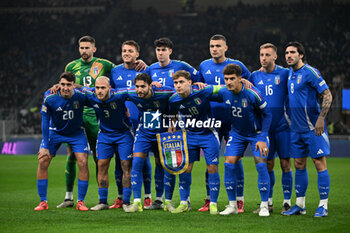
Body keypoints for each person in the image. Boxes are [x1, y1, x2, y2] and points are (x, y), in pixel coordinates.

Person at [58, 35, 116, 208]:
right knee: (72, 155)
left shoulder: (104, 64)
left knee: (99, 156)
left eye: (87, 48)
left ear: (94, 49)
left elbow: (119, 74)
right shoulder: (71, 66)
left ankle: (101, 199)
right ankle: (68, 197)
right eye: (81, 48)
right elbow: (66, 86)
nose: (84, 51)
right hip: (75, 113)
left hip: (94, 115)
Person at [197, 34, 251, 212]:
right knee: (211, 161)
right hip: (211, 120)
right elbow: (199, 88)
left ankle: (239, 199)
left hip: (233, 120)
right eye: (212, 46)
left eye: (218, 46)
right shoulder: (204, 65)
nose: (214, 49)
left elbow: (250, 84)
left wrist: (246, 81)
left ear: (225, 48)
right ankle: (209, 199)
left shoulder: (238, 66)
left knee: (234, 160)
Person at [147, 37, 200, 210]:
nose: (160, 53)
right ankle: (160, 199)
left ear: (170, 51)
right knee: (159, 160)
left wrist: (199, 85)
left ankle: (185, 199)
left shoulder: (182, 66)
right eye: (158, 50)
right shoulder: (150, 69)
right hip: (157, 117)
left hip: (177, 119)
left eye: (163, 50)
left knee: (178, 162)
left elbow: (197, 78)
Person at [282, 41, 331, 217]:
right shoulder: (289, 73)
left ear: (301, 55)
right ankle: (300, 205)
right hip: (295, 129)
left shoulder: (310, 72)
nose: (288, 55)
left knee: (319, 163)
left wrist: (321, 118)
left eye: (292, 52)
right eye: (286, 52)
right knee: (298, 164)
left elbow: (327, 95)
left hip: (313, 127)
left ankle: (323, 205)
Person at [217, 64, 272, 217]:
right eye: (226, 79)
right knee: (228, 164)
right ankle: (232, 205)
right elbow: (208, 92)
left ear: (240, 79)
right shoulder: (224, 92)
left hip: (257, 134)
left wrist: (262, 137)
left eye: (232, 79)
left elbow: (267, 114)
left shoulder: (252, 93)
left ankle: (264, 205)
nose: (228, 82)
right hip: (237, 134)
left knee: (261, 165)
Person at [168, 70, 221, 215]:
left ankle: (213, 204)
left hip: (208, 134)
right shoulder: (173, 99)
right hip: (189, 135)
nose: (178, 86)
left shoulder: (202, 91)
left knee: (212, 167)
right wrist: (172, 123)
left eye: (181, 82)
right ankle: (184, 202)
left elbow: (223, 88)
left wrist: (241, 83)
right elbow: (172, 111)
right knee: (185, 168)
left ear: (190, 82)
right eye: (176, 83)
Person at [34, 72, 90, 211]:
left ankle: (81, 202)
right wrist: (46, 145)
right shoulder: (50, 96)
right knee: (43, 160)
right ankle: (43, 201)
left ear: (73, 85)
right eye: (62, 84)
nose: (65, 88)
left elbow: (96, 97)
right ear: (59, 84)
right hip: (55, 132)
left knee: (83, 162)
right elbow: (45, 121)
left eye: (68, 85)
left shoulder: (81, 95)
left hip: (76, 133)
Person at [249, 43, 293, 214]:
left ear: (275, 56)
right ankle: (268, 202)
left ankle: (287, 201)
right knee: (268, 165)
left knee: (285, 164)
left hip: (283, 128)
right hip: (264, 131)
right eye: (261, 55)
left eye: (267, 55)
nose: (263, 58)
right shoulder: (254, 76)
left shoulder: (284, 73)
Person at [109, 40, 153, 209]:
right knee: (120, 160)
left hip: (142, 120)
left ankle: (147, 196)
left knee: (143, 158)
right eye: (124, 50)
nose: (126, 53)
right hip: (121, 123)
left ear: (137, 55)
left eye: (130, 51)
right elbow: (110, 95)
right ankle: (121, 197)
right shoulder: (114, 71)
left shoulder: (145, 69)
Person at [123, 73, 175, 213]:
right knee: (137, 161)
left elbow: (181, 93)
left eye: (143, 86)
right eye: (137, 86)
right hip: (144, 133)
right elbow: (114, 94)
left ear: (150, 85)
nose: (139, 90)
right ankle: (137, 202)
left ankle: (160, 200)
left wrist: (173, 121)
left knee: (162, 164)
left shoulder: (164, 92)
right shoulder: (132, 94)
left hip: (162, 133)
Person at [81, 76, 134, 211]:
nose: (99, 91)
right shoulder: (91, 95)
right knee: (101, 165)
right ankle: (102, 201)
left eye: (103, 88)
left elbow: (138, 92)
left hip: (123, 134)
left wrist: (154, 86)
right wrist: (57, 87)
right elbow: (76, 88)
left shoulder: (120, 95)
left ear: (109, 89)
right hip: (104, 135)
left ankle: (126, 202)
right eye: (97, 88)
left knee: (126, 166)